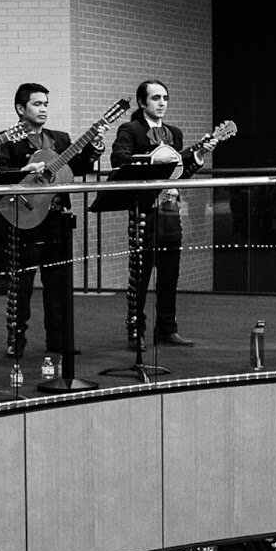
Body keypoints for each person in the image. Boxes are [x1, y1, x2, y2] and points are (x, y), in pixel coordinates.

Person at [0, 82, 105, 359]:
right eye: (37, 104)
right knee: (22, 284)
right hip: (23, 216)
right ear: (21, 108)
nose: (43, 109)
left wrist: (95, 148)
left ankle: (59, 339)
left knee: (59, 283)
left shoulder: (61, 139)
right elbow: (0, 173)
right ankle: (16, 340)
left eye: (45, 104)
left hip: (56, 218)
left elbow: (77, 167)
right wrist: (24, 170)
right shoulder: (8, 139)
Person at [110, 80, 205, 351]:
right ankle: (135, 330)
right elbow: (119, 159)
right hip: (144, 210)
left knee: (170, 272)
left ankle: (166, 328)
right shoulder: (131, 129)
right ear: (142, 103)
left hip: (170, 210)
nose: (162, 103)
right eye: (155, 98)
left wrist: (196, 159)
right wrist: (153, 160)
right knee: (139, 274)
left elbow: (180, 173)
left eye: (165, 98)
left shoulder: (174, 133)